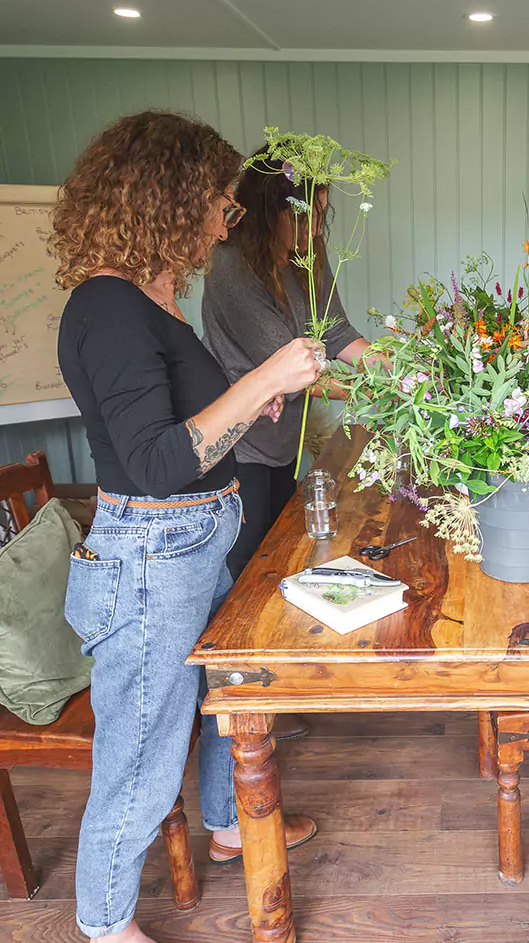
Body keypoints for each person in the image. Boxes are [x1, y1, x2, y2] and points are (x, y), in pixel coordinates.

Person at [54, 112, 321, 943]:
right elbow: (160, 461)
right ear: (165, 199)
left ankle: (231, 826)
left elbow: (187, 431)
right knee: (139, 755)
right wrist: (264, 380)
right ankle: (104, 925)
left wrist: (248, 405)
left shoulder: (151, 300)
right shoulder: (106, 308)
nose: (224, 220)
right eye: (216, 202)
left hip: (194, 538)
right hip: (150, 558)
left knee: (222, 695)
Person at [201, 149, 368, 584]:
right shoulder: (232, 267)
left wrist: (394, 368)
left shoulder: (307, 252)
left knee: (284, 554)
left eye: (320, 215)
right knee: (251, 570)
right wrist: (381, 391)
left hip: (283, 439)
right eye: (299, 216)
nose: (313, 228)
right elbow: (292, 367)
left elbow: (335, 331)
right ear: (264, 210)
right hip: (241, 446)